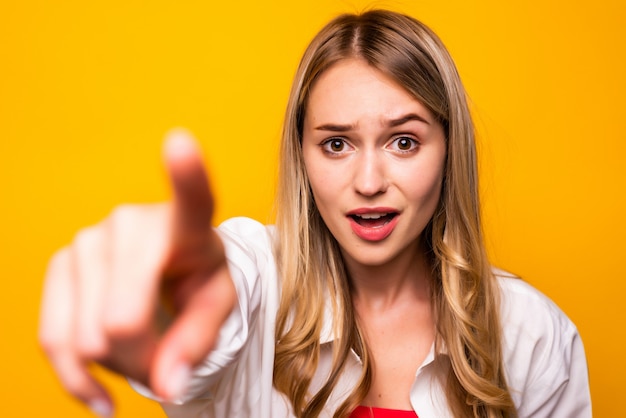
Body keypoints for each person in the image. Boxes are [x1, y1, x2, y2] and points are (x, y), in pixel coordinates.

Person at [38, 9, 592, 418]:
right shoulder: (258, 286)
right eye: (335, 145)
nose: (369, 182)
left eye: (403, 142)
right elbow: (222, 290)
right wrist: (164, 292)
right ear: (300, 157)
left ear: (449, 149)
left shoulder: (533, 335)